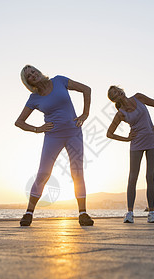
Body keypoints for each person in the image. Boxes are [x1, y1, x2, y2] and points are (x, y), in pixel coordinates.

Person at [15, 65, 94, 226]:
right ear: (28, 82)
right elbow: (19, 122)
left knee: (77, 172)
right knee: (43, 173)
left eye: (33, 71)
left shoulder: (59, 81)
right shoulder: (34, 98)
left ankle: (83, 214)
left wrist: (85, 114)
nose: (33, 75)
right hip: (53, 136)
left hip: (74, 133)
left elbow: (87, 89)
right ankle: (29, 213)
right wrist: (37, 129)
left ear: (39, 71)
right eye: (29, 75)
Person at [106, 86, 154, 223]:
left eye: (117, 89)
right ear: (114, 99)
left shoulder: (138, 97)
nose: (118, 92)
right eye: (115, 93)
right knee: (132, 178)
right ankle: (130, 213)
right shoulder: (121, 113)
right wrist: (126, 139)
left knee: (150, 176)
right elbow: (109, 133)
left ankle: (152, 213)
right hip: (136, 144)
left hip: (152, 140)